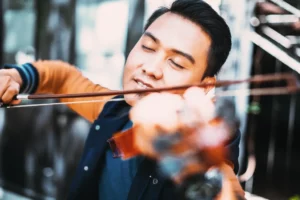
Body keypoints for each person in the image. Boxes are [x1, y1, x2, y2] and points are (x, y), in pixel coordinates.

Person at [0, 0, 245, 199]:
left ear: (204, 87)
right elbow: (63, 78)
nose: (151, 68)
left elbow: (228, 190)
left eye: (176, 63)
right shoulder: (115, 109)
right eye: (148, 47)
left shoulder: (205, 143)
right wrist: (17, 76)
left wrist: (189, 164)